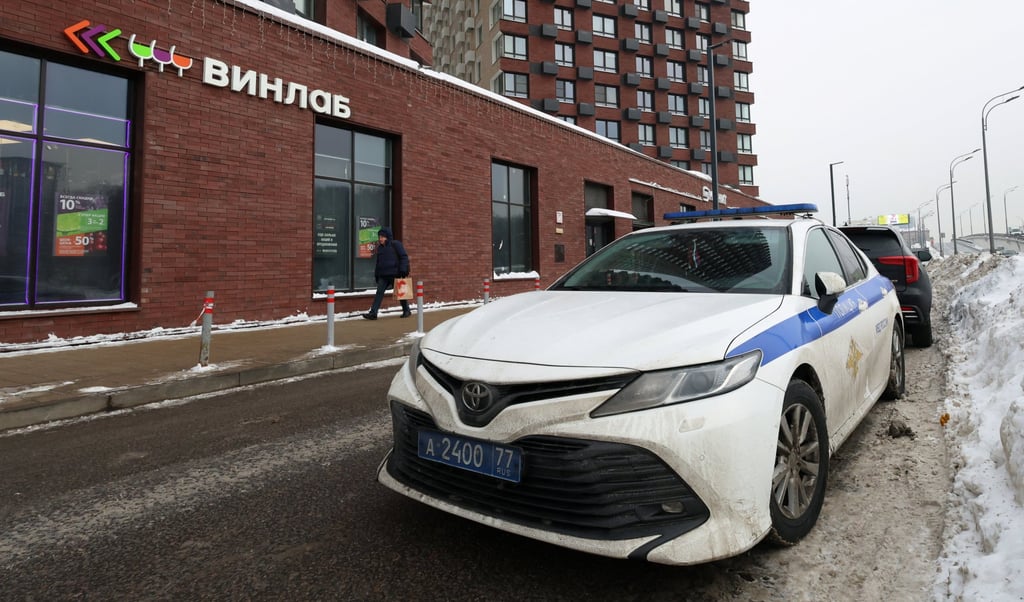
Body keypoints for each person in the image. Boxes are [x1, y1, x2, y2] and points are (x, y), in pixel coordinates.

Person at [363, 227, 410, 320]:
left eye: (382, 237)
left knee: (400, 293)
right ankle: (373, 313)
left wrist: (403, 270)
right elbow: (378, 262)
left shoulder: (396, 244)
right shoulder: (380, 248)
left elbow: (404, 257)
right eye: (379, 237)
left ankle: (406, 310)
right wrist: (377, 274)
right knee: (379, 293)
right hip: (383, 275)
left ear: (387, 237)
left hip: (395, 274)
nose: (380, 239)